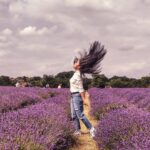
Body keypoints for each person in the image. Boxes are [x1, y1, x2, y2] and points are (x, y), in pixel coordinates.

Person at [69, 41, 107, 138]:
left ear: (79, 66)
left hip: (77, 95)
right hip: (73, 96)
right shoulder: (76, 73)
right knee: (74, 115)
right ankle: (77, 131)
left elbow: (81, 88)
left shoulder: (78, 74)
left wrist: (84, 98)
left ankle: (91, 128)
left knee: (80, 114)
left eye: (76, 62)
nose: (74, 62)